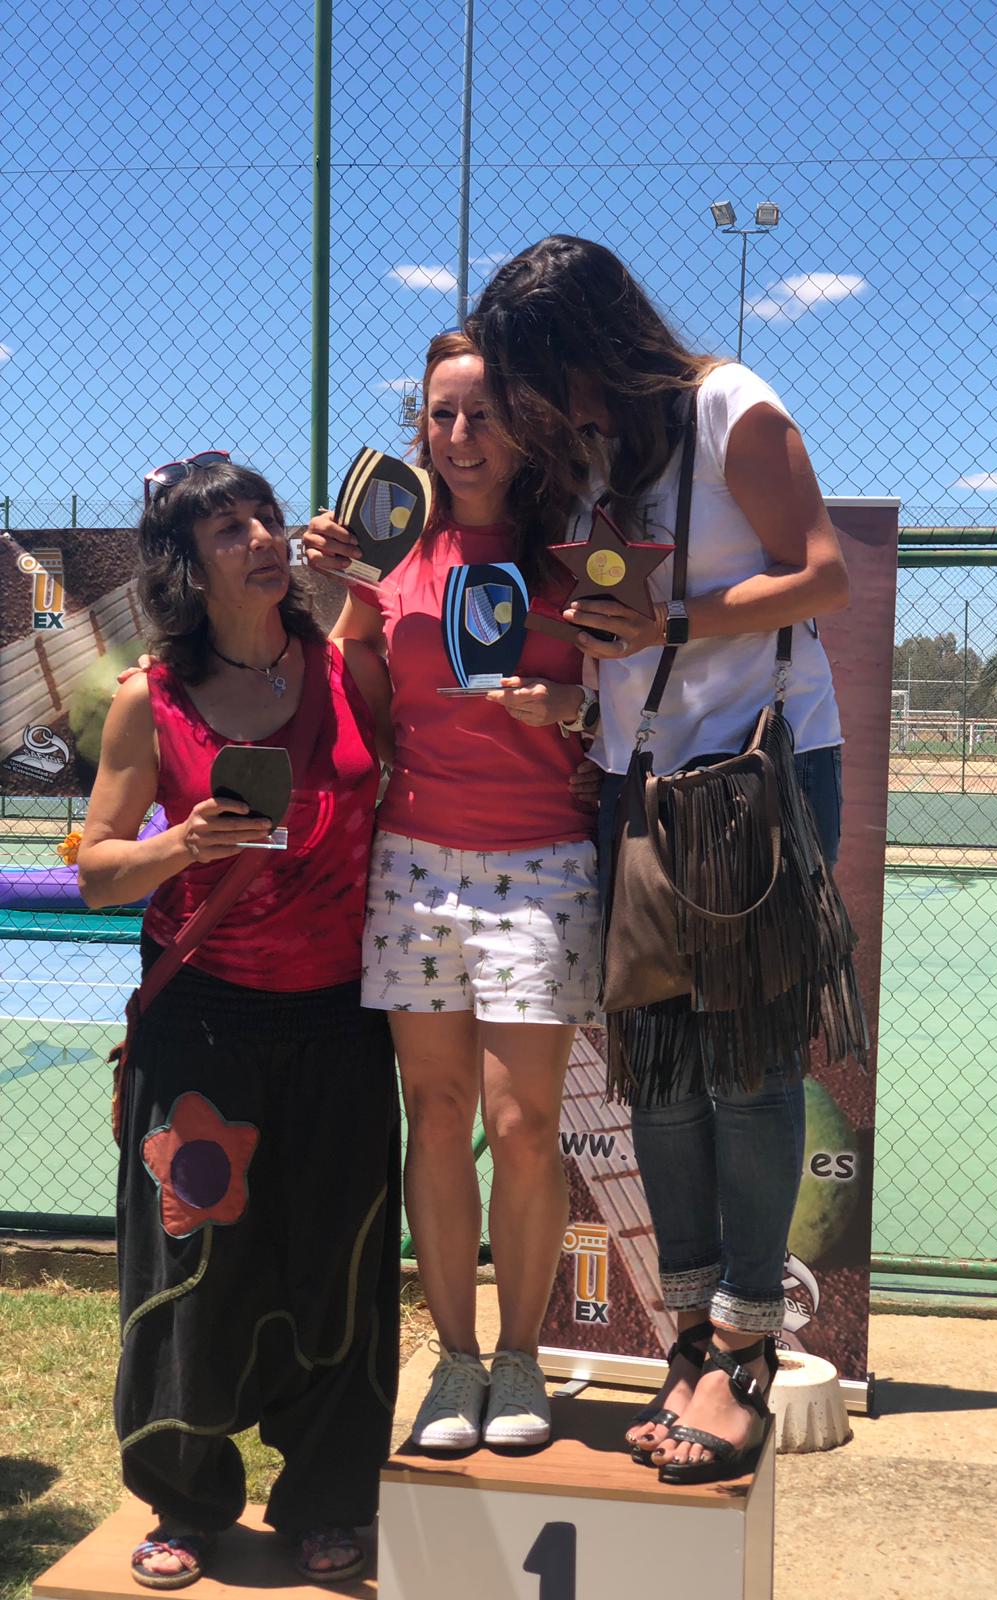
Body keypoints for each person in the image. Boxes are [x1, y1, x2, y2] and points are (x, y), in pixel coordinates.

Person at [468, 237, 853, 1484]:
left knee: (749, 1064)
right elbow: (623, 650)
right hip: (637, 786)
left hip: (758, 777)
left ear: (592, 341)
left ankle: (747, 1345)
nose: (531, 403)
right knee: (662, 1075)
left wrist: (670, 620)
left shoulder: (730, 405)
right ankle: (688, 1339)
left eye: (536, 372)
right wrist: (584, 688)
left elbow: (826, 576)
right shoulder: (594, 461)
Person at [77, 458, 400, 1587]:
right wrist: (183, 844)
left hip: (343, 1016)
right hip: (203, 1023)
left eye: (265, 516)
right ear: (184, 563)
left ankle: (328, 1501)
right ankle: (187, 1500)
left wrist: (361, 591)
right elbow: (98, 872)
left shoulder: (347, 670)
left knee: (340, 1263)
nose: (263, 537)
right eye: (228, 528)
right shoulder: (148, 699)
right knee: (194, 1265)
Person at [303, 331, 601, 1455]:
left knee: (524, 1126)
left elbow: (627, 698)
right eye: (442, 414)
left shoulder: (575, 550)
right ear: (419, 427)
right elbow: (361, 690)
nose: (462, 435)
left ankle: (520, 1360)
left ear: (526, 427)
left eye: (484, 413)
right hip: (416, 860)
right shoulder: (393, 549)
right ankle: (455, 1362)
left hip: (546, 861)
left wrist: (567, 710)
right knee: (434, 1114)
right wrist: (342, 593)